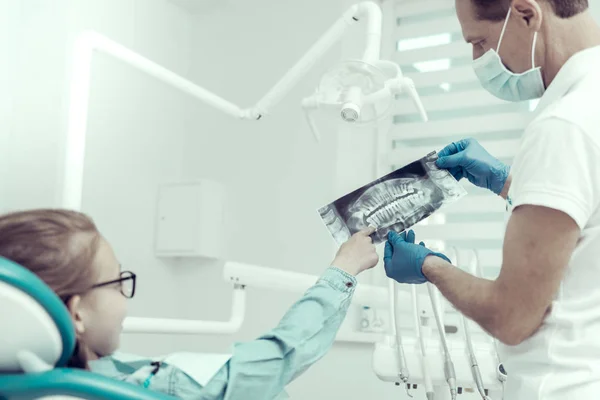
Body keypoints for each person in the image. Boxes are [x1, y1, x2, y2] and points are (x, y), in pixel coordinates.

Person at [383, 0, 600, 399]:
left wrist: (430, 267)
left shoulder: (564, 125)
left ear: (526, 13)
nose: (478, 59)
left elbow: (512, 317)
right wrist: (511, 184)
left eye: (480, 42)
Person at [0, 209, 378, 399]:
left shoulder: (25, 382)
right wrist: (343, 268)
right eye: (119, 282)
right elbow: (278, 359)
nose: (125, 294)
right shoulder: (149, 386)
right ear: (78, 313)